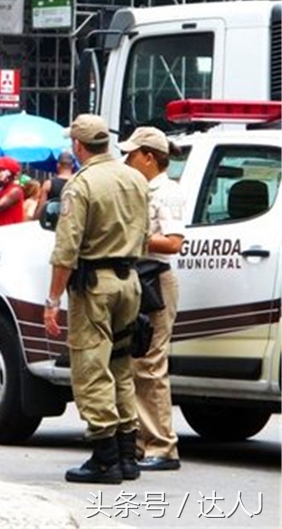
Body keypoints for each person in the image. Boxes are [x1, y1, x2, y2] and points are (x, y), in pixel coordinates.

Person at [44, 114, 148, 484]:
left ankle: (105, 458)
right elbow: (146, 232)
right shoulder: (135, 178)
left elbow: (66, 250)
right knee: (121, 365)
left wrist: (52, 299)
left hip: (95, 286)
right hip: (130, 281)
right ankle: (126, 453)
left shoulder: (80, 185)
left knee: (91, 367)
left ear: (78, 146)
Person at [120, 126, 185, 471]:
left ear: (148, 157)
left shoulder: (167, 191)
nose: (126, 160)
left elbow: (174, 242)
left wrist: (132, 238)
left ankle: (163, 446)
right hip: (140, 278)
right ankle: (144, 442)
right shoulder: (141, 188)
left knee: (151, 365)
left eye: (131, 154)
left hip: (155, 280)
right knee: (137, 363)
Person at [35, 150, 76, 220]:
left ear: (58, 165)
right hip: (73, 223)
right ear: (72, 166)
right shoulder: (79, 182)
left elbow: (41, 209)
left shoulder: (48, 184)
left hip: (53, 224)